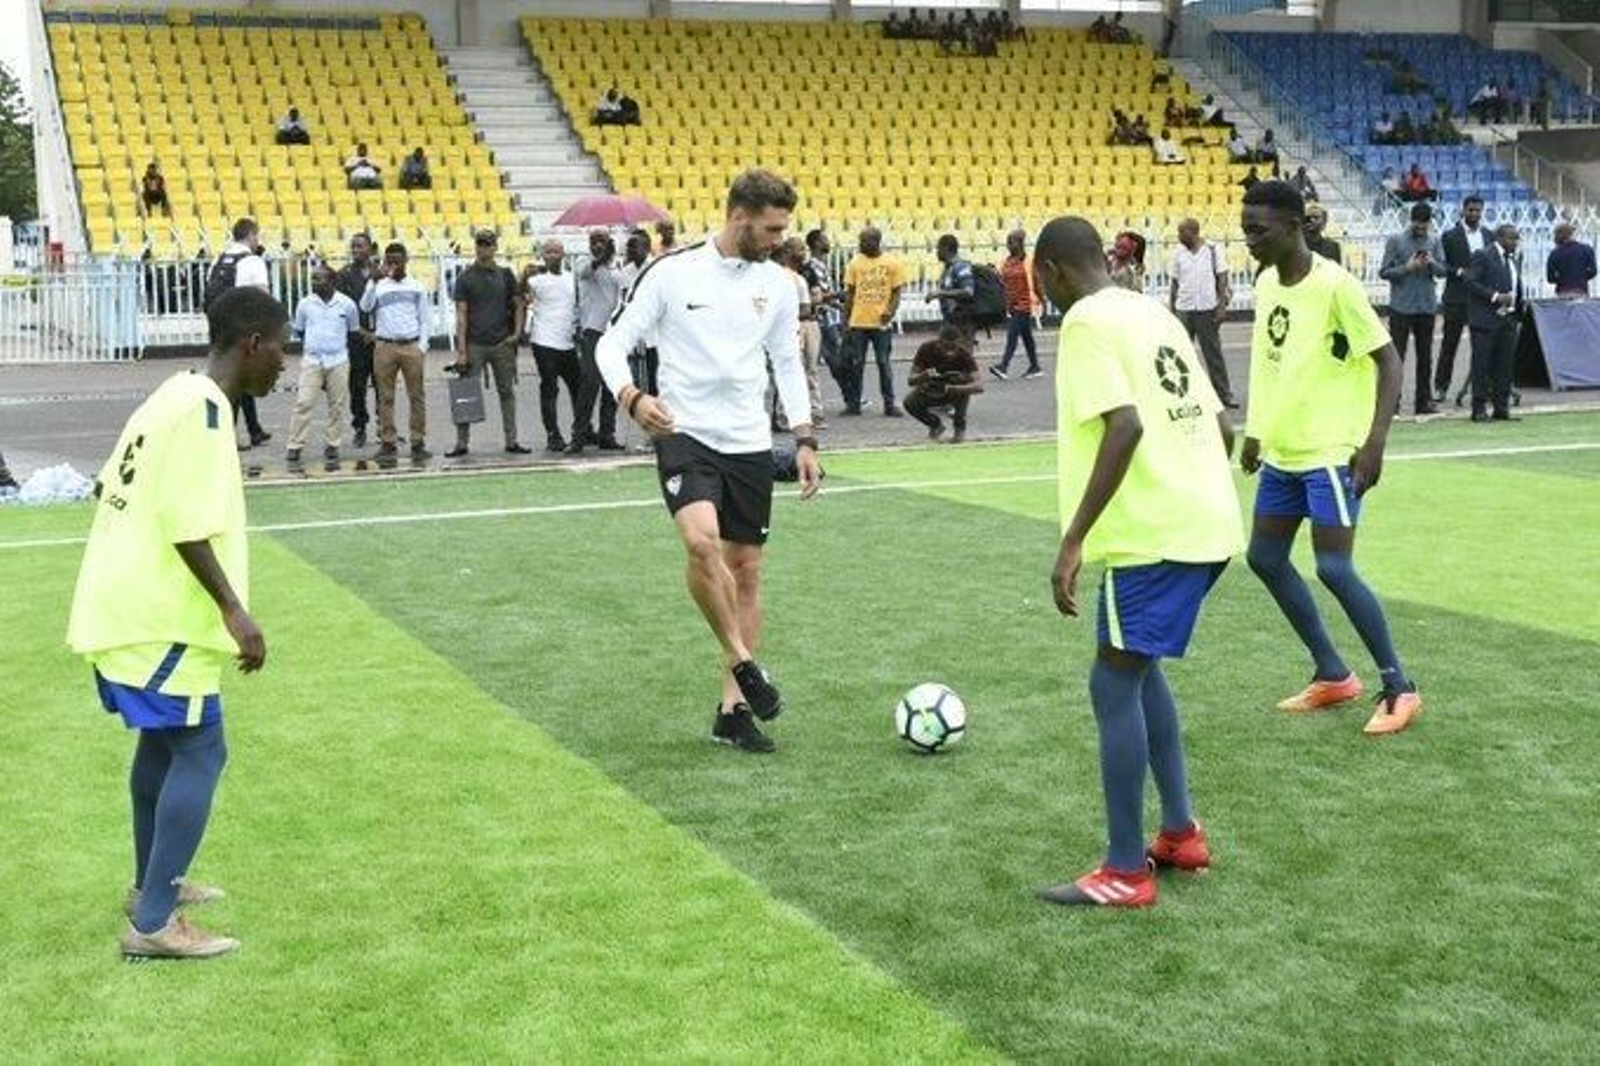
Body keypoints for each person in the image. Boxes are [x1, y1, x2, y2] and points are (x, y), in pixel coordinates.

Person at [67, 286, 287, 958]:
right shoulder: (206, 413)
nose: (284, 362)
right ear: (252, 343)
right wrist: (234, 611)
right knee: (201, 749)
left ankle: (151, 885)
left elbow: (108, 485)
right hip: (160, 617)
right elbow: (186, 524)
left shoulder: (172, 392)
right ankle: (154, 924)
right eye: (281, 348)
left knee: (163, 745)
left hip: (122, 602)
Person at [1030, 216, 1242, 909]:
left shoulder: (1087, 322)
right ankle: (1180, 833)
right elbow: (1221, 424)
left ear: (1052, 271)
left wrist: (1073, 539)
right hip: (1210, 522)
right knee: (1138, 669)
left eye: (1041, 282)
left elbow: (1125, 425)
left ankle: (1125, 869)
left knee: (1112, 683)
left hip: (1154, 534)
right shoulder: (1153, 313)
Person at [594, 169, 821, 755]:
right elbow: (610, 344)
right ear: (739, 216)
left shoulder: (778, 284)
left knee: (746, 568)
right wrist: (632, 397)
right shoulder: (672, 273)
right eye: (772, 229)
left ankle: (733, 711)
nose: (779, 239)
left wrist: (804, 437)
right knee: (701, 544)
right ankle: (744, 662)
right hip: (683, 429)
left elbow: (786, 362)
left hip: (747, 439)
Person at [1239, 180, 1421, 736]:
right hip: (1285, 452)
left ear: (1294, 227)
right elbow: (1269, 362)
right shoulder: (1266, 283)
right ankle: (1334, 673)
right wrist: (1256, 432)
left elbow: (1389, 362)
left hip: (1331, 452)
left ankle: (1400, 686)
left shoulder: (1336, 285)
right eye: (1245, 230)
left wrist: (1375, 441)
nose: (1249, 241)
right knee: (1265, 557)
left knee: (1334, 567)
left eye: (1258, 231)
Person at [447, 229, 527, 458]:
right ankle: (461, 443)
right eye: (480, 244)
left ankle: (512, 440)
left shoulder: (506, 274)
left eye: (488, 244)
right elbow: (461, 315)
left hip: (502, 343)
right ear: (476, 247)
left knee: (507, 392)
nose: (484, 248)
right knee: (466, 392)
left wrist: (517, 333)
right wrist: (461, 351)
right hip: (475, 344)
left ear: (495, 247)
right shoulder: (465, 277)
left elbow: (519, 304)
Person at [359, 242, 430, 466]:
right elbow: (365, 306)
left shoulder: (417, 286)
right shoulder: (379, 286)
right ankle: (388, 442)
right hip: (385, 346)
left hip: (411, 345)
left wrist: (422, 347)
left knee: (416, 396)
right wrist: (372, 281)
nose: (393, 265)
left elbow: (424, 319)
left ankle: (417, 441)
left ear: (406, 260)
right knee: (385, 397)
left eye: (397, 260)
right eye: (389, 260)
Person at [206, 218, 272, 450]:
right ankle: (228, 436)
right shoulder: (252, 261)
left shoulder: (218, 259)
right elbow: (263, 296)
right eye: (257, 236)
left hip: (219, 327)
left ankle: (254, 430)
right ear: (252, 235)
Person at [286, 264, 360, 472]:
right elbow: (300, 331)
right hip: (312, 360)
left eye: (319, 278)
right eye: (313, 278)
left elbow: (352, 333)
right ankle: (295, 445)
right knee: (303, 402)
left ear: (333, 281)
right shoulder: (305, 304)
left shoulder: (347, 304)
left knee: (337, 405)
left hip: (338, 360)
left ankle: (332, 444)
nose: (314, 282)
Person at [1379, 204, 1449, 415]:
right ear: (1411, 220)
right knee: (1396, 358)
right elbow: (1384, 271)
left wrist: (1431, 263)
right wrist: (1407, 268)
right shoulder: (1396, 240)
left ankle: (1423, 402)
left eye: (1425, 224)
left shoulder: (1434, 240)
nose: (1421, 228)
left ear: (1429, 222)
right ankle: (1393, 403)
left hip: (1426, 306)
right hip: (1401, 306)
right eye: (1418, 223)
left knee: (1425, 358)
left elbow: (1443, 271)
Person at [1168, 218, 1235, 408]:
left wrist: (1221, 306)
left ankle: (1224, 395)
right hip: (1184, 309)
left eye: (1182, 233)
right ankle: (1183, 395)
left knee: (1213, 354)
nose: (1179, 237)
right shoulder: (1178, 253)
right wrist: (1172, 308)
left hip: (1207, 308)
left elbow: (1222, 277)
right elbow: (1174, 282)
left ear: (1193, 232)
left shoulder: (1213, 250)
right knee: (1181, 354)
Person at [524, 239, 581, 452]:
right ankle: (553, 434)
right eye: (548, 252)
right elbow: (523, 299)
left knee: (578, 387)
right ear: (543, 256)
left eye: (557, 251)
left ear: (563, 254)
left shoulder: (572, 279)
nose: (553, 255)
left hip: (567, 343)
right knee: (549, 389)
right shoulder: (535, 281)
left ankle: (582, 429)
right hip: (544, 341)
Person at [842, 226, 906, 417]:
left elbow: (896, 292)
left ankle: (889, 404)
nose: (860, 244)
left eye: (863, 241)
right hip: (858, 322)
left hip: (881, 323)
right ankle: (854, 405)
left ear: (875, 242)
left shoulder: (892, 263)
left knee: (883, 363)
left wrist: (890, 311)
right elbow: (850, 294)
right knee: (856, 364)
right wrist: (846, 321)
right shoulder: (855, 263)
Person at [1465, 224, 1526, 423]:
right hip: (1485, 320)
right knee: (1482, 366)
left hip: (1508, 319)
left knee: (1504, 367)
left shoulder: (1513, 258)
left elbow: (1516, 285)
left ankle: (1501, 408)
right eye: (1511, 238)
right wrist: (1495, 296)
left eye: (1516, 239)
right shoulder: (1483, 255)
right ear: (1499, 238)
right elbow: (1470, 282)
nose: (1515, 242)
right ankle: (1479, 409)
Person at [572, 230, 625, 454]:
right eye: (593, 241)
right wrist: (603, 256)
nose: (597, 245)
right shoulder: (584, 262)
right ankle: (578, 436)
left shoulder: (615, 266)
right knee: (589, 383)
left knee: (611, 385)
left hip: (612, 331)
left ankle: (607, 434)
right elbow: (586, 272)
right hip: (592, 330)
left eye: (601, 241)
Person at [1438, 196, 1488, 404]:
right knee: (1449, 345)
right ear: (1463, 211)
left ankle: (1483, 387)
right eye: (1470, 210)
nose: (1474, 213)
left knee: (1482, 347)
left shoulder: (1489, 235)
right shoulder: (1450, 236)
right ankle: (1441, 387)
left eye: (1477, 210)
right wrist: (1458, 271)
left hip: (1481, 299)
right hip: (1456, 298)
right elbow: (1441, 265)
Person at [334, 234, 379, 448]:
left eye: (360, 246)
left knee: (383, 385)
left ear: (370, 248)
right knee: (357, 386)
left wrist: (377, 332)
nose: (355, 250)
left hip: (380, 338)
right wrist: (362, 332)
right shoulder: (343, 275)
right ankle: (360, 427)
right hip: (356, 339)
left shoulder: (381, 273)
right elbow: (342, 308)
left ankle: (384, 426)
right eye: (353, 246)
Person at [904, 325, 982, 443]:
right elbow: (911, 380)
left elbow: (979, 386)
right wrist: (923, 376)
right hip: (931, 389)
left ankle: (959, 429)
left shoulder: (964, 354)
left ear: (959, 343)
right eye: (945, 348)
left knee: (963, 382)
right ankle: (935, 425)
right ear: (938, 343)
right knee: (909, 403)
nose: (949, 352)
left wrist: (955, 389)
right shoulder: (926, 349)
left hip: (954, 390)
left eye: (953, 348)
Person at [781, 236, 825, 431]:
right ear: (787, 252)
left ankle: (811, 414)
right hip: (799, 324)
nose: (803, 253)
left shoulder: (807, 272)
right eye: (799, 249)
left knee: (807, 370)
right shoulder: (790, 277)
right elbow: (809, 305)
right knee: (799, 370)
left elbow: (817, 296)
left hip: (804, 324)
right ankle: (799, 415)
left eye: (804, 249)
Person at [802, 229, 842, 424]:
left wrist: (838, 304)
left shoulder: (821, 265)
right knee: (817, 364)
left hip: (829, 318)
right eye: (825, 239)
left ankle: (850, 397)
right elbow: (818, 295)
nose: (828, 242)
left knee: (831, 361)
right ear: (817, 243)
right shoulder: (812, 267)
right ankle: (812, 407)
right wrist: (837, 297)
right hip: (821, 320)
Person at [992, 227, 1041, 379]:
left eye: (1011, 242)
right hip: (1012, 305)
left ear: (1020, 244)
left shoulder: (1028, 262)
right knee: (1027, 337)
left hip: (1024, 304)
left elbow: (1037, 282)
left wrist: (1042, 299)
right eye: (1007, 242)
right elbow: (1001, 281)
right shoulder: (1006, 262)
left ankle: (1003, 367)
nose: (1008, 245)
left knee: (1012, 334)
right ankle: (1035, 367)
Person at [617, 229, 659, 396]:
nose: (629, 250)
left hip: (655, 333)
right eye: (628, 246)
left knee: (655, 379)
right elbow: (623, 299)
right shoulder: (625, 272)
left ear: (646, 248)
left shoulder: (657, 268)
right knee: (635, 382)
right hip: (634, 332)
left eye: (633, 246)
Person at [924, 234, 977, 348]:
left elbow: (968, 292)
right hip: (950, 320)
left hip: (962, 321)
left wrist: (940, 293)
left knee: (962, 354)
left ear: (946, 248)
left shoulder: (961, 267)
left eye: (938, 248)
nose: (937, 252)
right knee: (943, 352)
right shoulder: (948, 268)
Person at [1547, 223, 1596, 298]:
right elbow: (1593, 271)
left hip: (1562, 292)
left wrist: (1562, 279)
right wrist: (1581, 277)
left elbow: (1550, 278)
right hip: (1581, 290)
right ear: (1571, 234)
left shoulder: (1554, 253)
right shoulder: (1587, 250)